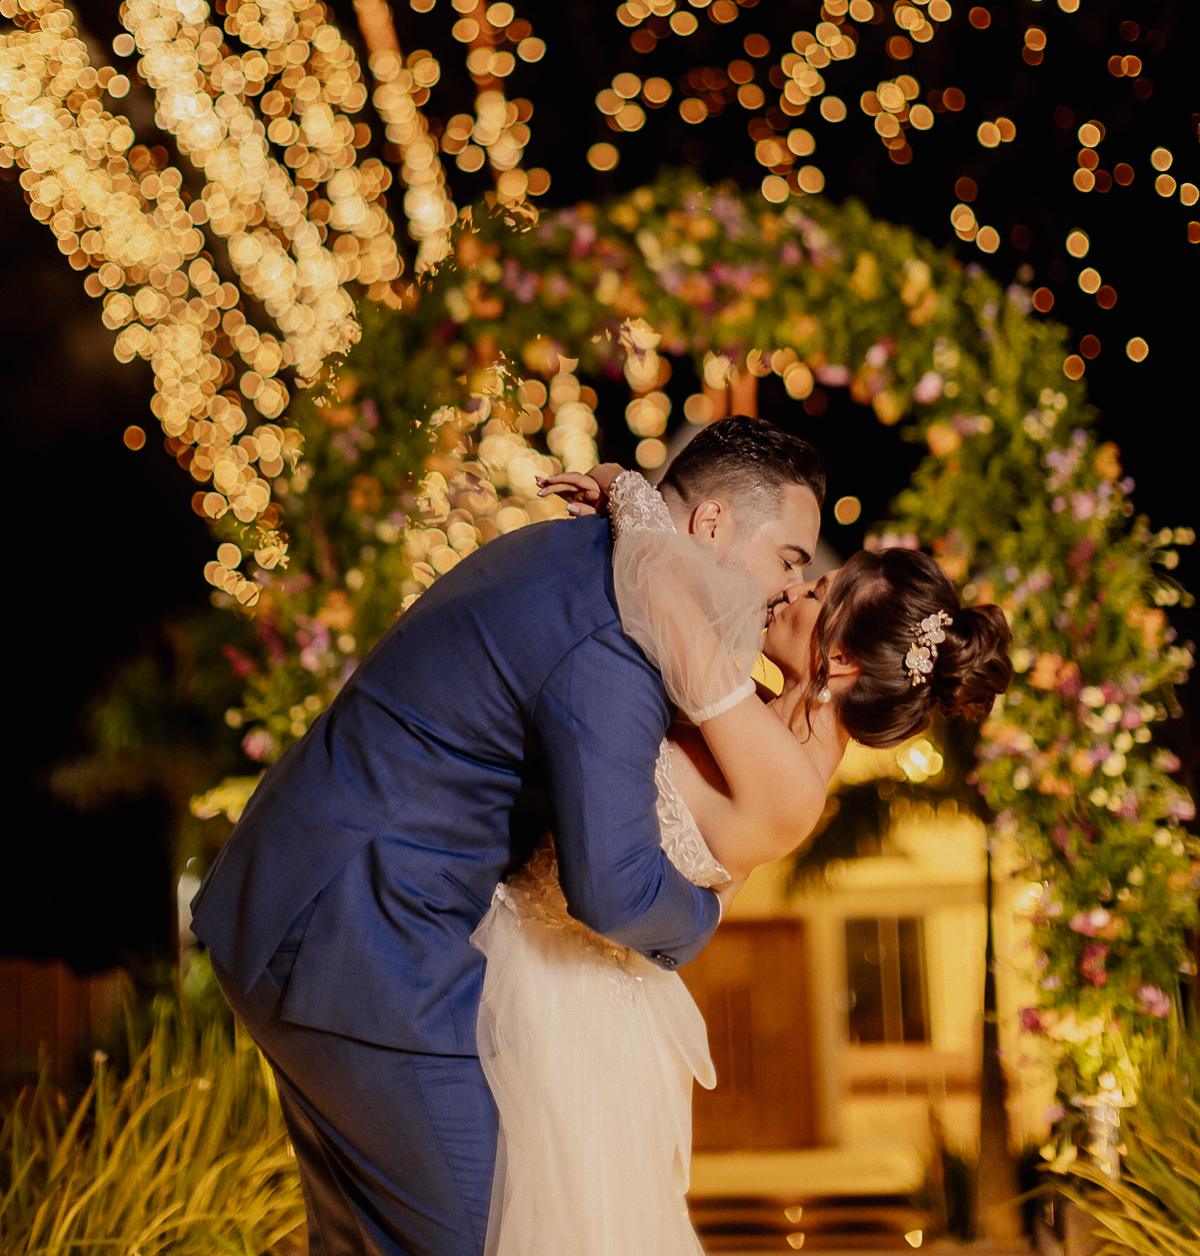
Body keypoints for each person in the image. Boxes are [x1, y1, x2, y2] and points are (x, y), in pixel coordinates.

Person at [189, 416, 825, 1256]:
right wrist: (707, 917)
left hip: (314, 906)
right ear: (710, 525)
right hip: (357, 937)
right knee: (483, 1231)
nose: (789, 589)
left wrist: (629, 493)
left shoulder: (598, 560)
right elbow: (614, 886)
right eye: (786, 560)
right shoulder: (619, 636)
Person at [471, 464, 1013, 1256]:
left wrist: (628, 489)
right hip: (540, 956)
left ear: (840, 667)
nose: (790, 595)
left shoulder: (789, 784)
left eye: (815, 594)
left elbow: (665, 600)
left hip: (557, 992)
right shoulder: (760, 724)